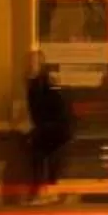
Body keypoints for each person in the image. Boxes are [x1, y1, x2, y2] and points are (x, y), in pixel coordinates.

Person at [24, 49, 76, 199]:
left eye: (34, 63)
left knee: (40, 154)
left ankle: (43, 189)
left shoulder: (41, 83)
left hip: (54, 127)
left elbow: (48, 107)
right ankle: (45, 188)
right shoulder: (38, 83)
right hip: (52, 127)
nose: (31, 66)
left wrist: (39, 127)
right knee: (41, 155)